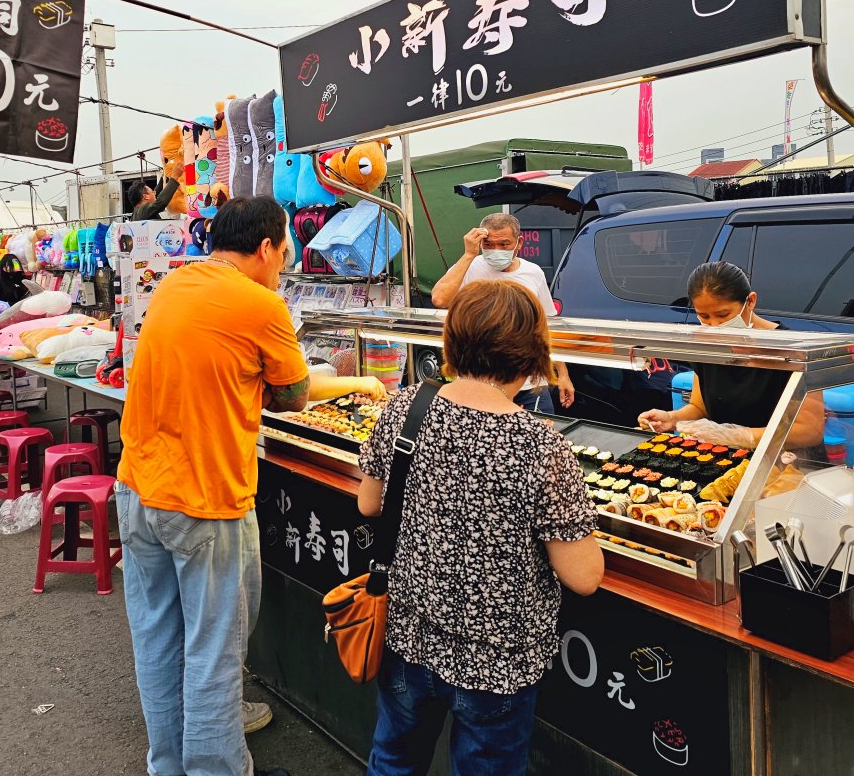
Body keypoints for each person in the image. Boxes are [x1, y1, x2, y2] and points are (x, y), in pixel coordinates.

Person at [115, 196, 380, 776]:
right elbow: (292, 397)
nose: (284, 264)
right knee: (214, 649)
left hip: (136, 486)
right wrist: (353, 382)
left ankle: (170, 765)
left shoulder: (175, 283)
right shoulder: (261, 304)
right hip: (203, 496)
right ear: (265, 248)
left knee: (158, 638)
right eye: (284, 253)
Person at [357, 280, 604, 776]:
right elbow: (584, 576)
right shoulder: (542, 446)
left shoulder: (405, 408)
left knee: (394, 761)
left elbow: (368, 503)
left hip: (409, 635)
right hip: (497, 660)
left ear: (452, 342)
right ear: (534, 353)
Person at [638, 261, 825, 452]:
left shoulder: (791, 351)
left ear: (750, 301)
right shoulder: (707, 347)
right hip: (728, 457)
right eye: (704, 316)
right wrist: (672, 419)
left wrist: (741, 436)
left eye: (723, 315)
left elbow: (810, 431)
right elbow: (699, 407)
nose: (714, 325)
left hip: (783, 462)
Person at [429, 213, 574, 413]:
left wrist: (563, 374)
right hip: (480, 385)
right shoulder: (469, 266)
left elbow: (548, 327)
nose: (496, 250)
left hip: (530, 386)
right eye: (488, 244)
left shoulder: (533, 273)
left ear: (519, 243)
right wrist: (468, 255)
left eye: (504, 244)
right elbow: (439, 299)